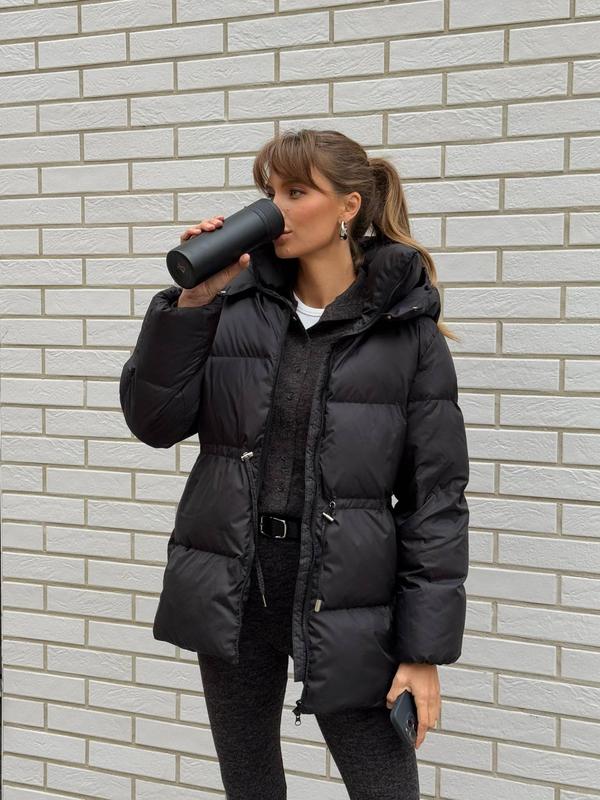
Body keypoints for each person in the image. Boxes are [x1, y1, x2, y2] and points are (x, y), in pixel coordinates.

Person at [119, 128, 470, 800]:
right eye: (269, 192)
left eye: (296, 192)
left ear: (347, 207)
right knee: (250, 782)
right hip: (237, 577)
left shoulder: (407, 333)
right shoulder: (233, 308)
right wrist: (194, 303)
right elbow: (154, 422)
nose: (274, 209)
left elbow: (435, 501)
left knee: (383, 784)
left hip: (347, 593)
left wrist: (422, 651)